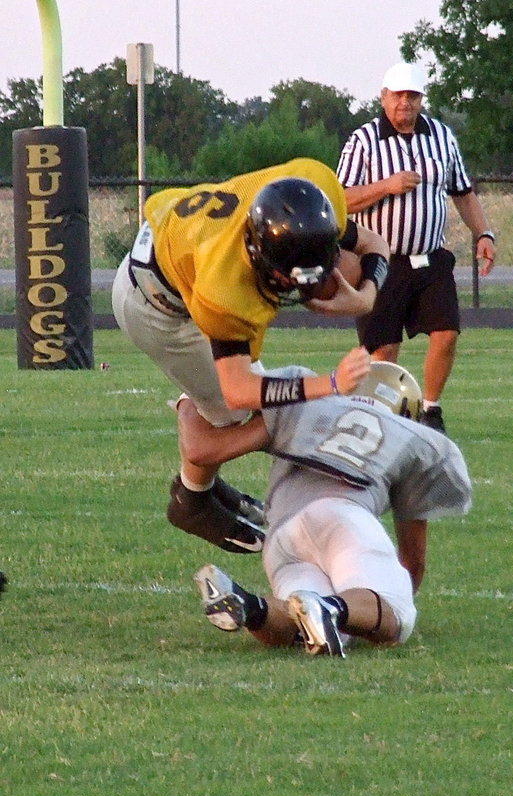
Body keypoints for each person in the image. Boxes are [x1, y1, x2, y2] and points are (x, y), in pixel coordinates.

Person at [111, 158, 390, 554]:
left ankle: (201, 476)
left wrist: (365, 296)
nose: (298, 289)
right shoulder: (225, 287)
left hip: (174, 251)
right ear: (259, 253)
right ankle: (190, 500)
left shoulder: (314, 189)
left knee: (252, 405)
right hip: (156, 306)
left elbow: (376, 245)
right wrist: (329, 385)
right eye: (287, 278)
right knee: (239, 414)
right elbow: (241, 390)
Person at [185, 362, 472, 658]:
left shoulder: (308, 405)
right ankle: (330, 606)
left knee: (314, 625)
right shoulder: (411, 437)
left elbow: (204, 450)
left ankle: (252, 607)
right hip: (342, 519)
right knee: (397, 611)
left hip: (282, 538)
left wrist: (188, 399)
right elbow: (413, 560)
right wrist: (382, 611)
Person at [336, 62, 497, 434]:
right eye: (398, 96)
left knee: (446, 332)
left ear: (421, 99)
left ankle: (431, 410)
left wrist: (485, 234)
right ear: (383, 96)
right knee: (383, 350)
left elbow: (463, 192)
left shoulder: (441, 136)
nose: (404, 104)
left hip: (430, 257)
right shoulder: (363, 141)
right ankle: (381, 418)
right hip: (380, 261)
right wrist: (384, 186)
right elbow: (340, 199)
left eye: (412, 96)